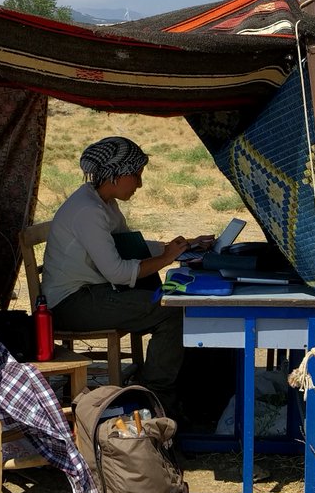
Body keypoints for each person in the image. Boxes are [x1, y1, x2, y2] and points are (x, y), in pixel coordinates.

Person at [41, 136, 211, 416]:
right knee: (170, 311)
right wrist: (166, 258)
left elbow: (127, 245)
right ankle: (156, 396)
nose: (140, 184)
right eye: (137, 175)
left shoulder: (102, 202)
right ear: (117, 176)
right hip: (71, 304)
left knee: (169, 301)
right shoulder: (88, 211)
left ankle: (162, 386)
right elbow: (119, 273)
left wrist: (180, 246)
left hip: (92, 292)